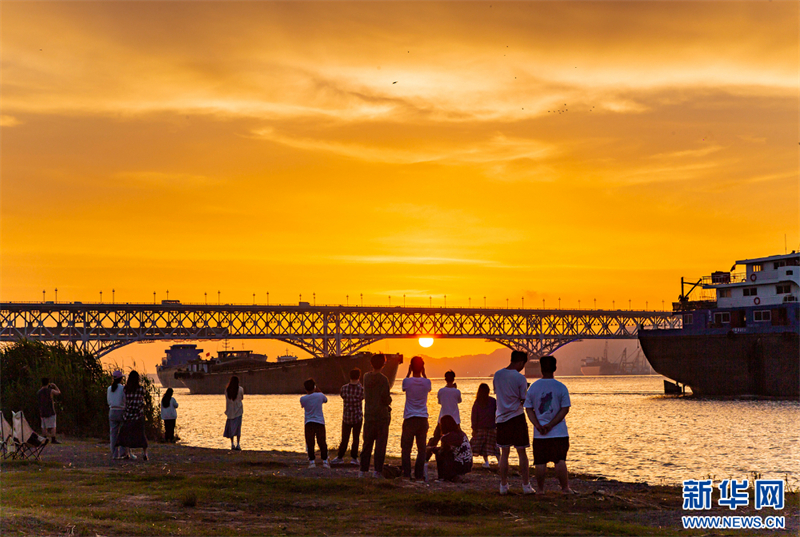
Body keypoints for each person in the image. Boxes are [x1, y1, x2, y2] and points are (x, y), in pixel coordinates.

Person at [524, 355, 575, 494]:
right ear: (555, 368)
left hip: (539, 434)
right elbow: (565, 409)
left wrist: (538, 425)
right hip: (559, 432)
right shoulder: (561, 387)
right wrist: (551, 425)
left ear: (541, 369)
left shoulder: (533, 388)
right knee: (560, 460)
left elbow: (528, 409)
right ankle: (565, 488)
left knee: (540, 462)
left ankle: (540, 490)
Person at [493, 350, 533, 495]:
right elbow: (524, 399)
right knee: (522, 452)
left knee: (504, 453)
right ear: (521, 362)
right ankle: (526, 485)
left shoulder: (497, 375)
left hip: (501, 418)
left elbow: (498, 392)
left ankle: (503, 486)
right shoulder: (520, 378)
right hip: (516, 417)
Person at [359, 353, 392, 478]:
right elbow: (385, 398)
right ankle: (377, 471)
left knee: (367, 444)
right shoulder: (383, 379)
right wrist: (389, 401)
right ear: (383, 364)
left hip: (369, 415)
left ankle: (363, 470)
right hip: (381, 416)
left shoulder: (366, 377)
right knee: (380, 445)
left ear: (371, 364)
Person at [400, 356, 431, 480]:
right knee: (421, 448)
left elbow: (404, 387)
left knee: (406, 448)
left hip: (409, 418)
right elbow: (428, 387)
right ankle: (419, 474)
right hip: (422, 418)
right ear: (422, 367)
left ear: (411, 367)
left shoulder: (406, 381)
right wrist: (424, 374)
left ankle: (406, 473)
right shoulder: (427, 382)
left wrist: (408, 373)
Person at [332, 368, 364, 465]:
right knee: (356, 438)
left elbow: (342, 396)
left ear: (349, 376)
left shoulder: (344, 388)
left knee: (344, 438)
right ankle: (354, 458)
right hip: (357, 417)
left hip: (346, 417)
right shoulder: (361, 389)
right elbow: (363, 397)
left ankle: (340, 456)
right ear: (359, 377)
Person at [426, 370, 461, 457]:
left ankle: (425, 457)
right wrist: (455, 389)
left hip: (442, 418)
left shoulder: (441, 391)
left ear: (445, 379)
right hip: (455, 420)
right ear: (453, 379)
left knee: (435, 439)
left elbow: (440, 402)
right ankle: (457, 457)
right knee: (458, 440)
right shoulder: (457, 391)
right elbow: (459, 401)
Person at [117, 370, 149, 461]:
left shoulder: (126, 389)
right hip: (138, 415)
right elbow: (143, 396)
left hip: (128, 415)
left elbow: (125, 400)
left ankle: (127, 453)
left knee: (127, 434)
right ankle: (145, 453)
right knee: (141, 434)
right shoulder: (141, 389)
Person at [430, 415, 472, 481]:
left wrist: (432, 449)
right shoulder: (461, 433)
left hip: (459, 465)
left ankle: (443, 477)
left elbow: (442, 451)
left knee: (439, 455)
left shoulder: (446, 437)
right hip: (468, 464)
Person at [300, 378, 329, 468]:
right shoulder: (320, 396)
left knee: (310, 442)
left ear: (305, 389)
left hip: (309, 422)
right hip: (320, 422)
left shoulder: (303, 398)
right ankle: (325, 461)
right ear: (314, 387)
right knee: (322, 442)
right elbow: (326, 400)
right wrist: (317, 389)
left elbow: (303, 406)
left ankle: (312, 461)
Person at [470, 382, 499, 468]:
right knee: (494, 445)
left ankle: (486, 462)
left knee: (479, 446)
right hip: (492, 427)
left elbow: (474, 416)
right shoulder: (493, 401)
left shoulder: (478, 402)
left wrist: (474, 428)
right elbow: (498, 413)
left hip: (480, 428)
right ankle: (500, 461)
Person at [107, 370, 127, 459]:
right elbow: (125, 400)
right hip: (121, 411)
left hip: (112, 411)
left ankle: (114, 454)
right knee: (123, 433)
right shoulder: (123, 388)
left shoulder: (109, 388)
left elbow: (108, 401)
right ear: (121, 379)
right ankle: (123, 453)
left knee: (113, 434)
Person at [37, 377, 61, 444]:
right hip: (50, 410)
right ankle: (53, 439)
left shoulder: (39, 392)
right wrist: (55, 386)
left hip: (42, 410)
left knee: (44, 426)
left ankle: (44, 438)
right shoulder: (50, 391)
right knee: (53, 425)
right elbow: (58, 392)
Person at [224, 376, 244, 451]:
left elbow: (226, 398)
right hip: (238, 411)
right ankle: (238, 444)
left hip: (230, 411)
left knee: (231, 428)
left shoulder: (227, 390)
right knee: (238, 428)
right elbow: (242, 398)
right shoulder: (241, 389)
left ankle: (232, 444)